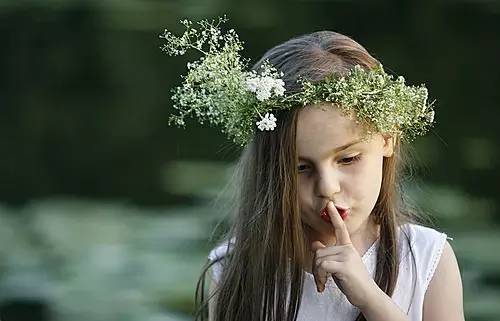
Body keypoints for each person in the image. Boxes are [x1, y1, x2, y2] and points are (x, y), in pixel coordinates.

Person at [160, 16, 465, 321]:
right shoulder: (236, 269)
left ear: (387, 140)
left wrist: (371, 300)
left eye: (348, 159)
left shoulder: (425, 258)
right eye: (301, 168)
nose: (327, 187)